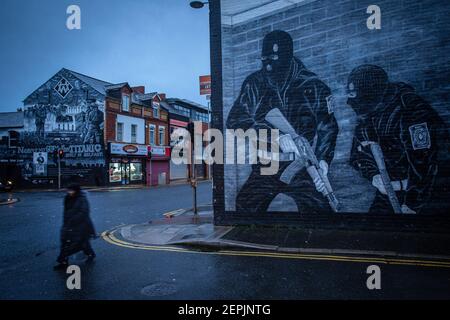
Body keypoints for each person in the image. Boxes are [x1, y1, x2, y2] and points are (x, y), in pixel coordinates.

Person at [226, 30, 338, 213]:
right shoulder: (254, 83)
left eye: (273, 58)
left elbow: (328, 127)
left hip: (302, 165)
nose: (268, 65)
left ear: (287, 56)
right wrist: (275, 136)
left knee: (321, 210)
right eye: (264, 59)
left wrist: (324, 161)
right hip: (266, 164)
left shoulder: (313, 86)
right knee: (245, 206)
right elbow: (235, 120)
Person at [349, 64, 447, 214]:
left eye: (354, 93)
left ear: (370, 92)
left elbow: (426, 164)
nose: (350, 101)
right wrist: (374, 175)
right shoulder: (369, 114)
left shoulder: (412, 111)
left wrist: (412, 203)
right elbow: (358, 154)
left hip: (426, 193)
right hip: (389, 192)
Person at [54, 183, 96, 270]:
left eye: (71, 190)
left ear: (76, 190)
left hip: (80, 226)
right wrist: (66, 222)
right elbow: (66, 211)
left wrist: (73, 220)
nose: (69, 192)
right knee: (67, 242)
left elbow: (84, 212)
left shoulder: (82, 199)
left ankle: (63, 260)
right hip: (68, 225)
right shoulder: (67, 198)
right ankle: (63, 261)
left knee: (75, 243)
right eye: (68, 190)